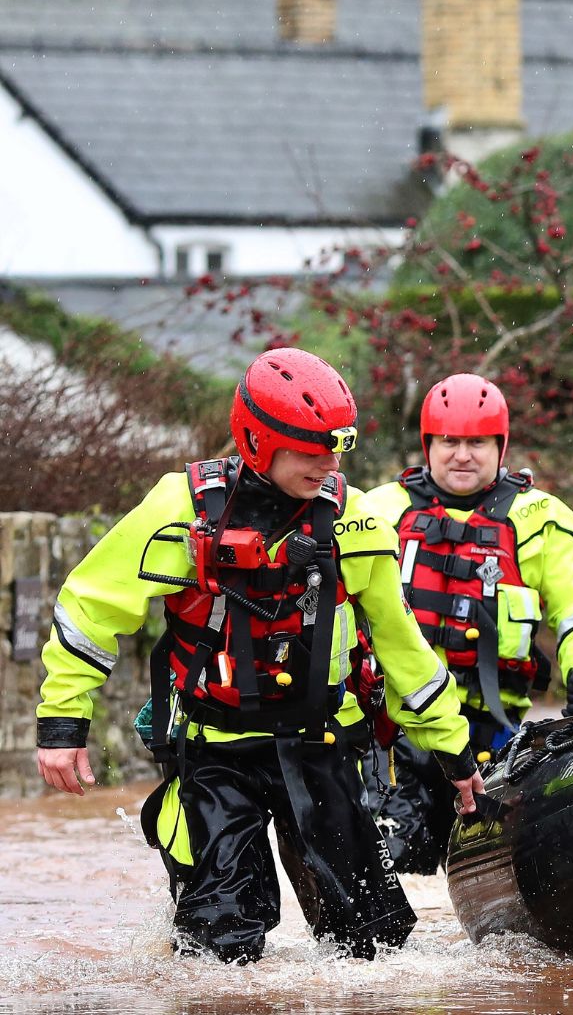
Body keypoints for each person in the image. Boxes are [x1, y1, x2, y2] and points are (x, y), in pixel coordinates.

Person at [35, 348, 484, 964]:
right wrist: (62, 724)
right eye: (309, 451)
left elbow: (402, 647)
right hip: (213, 752)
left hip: (323, 746)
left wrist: (453, 755)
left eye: (336, 449)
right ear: (256, 441)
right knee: (216, 952)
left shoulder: (354, 521)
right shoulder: (179, 510)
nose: (327, 465)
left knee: (377, 950)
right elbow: (90, 609)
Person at [357, 373, 573, 872]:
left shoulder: (539, 518)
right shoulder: (378, 512)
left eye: (477, 442)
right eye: (449, 441)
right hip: (397, 722)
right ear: (427, 445)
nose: (462, 455)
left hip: (494, 729)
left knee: (488, 864)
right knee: (399, 857)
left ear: (501, 446)